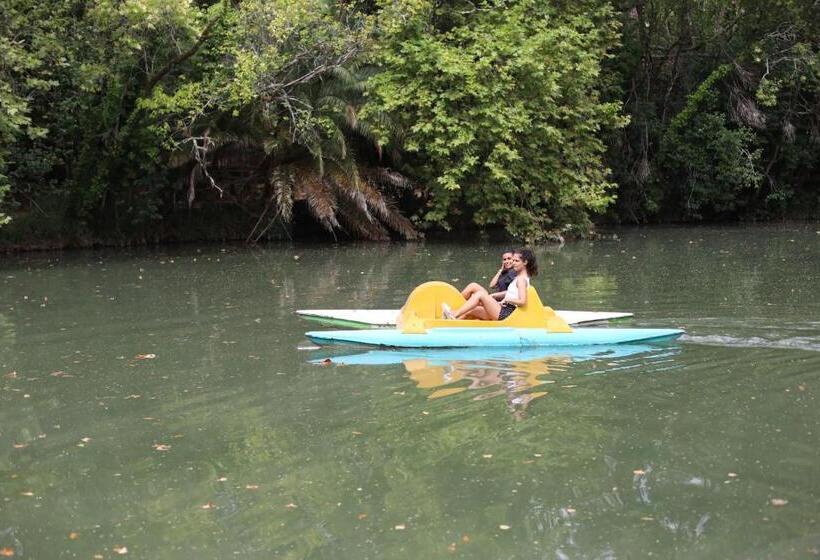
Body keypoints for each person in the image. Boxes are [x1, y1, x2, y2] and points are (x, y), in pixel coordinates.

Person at [443, 249, 538, 321]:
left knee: (480, 294)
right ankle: (452, 322)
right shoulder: (519, 278)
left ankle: (454, 314)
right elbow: (493, 286)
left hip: (506, 313)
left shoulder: (521, 280)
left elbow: (522, 301)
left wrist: (507, 300)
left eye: (516, 261)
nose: (513, 263)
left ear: (525, 262)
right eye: (513, 261)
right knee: (472, 310)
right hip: (503, 309)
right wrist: (502, 300)